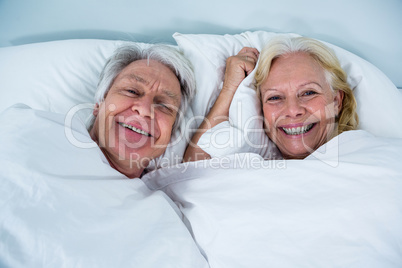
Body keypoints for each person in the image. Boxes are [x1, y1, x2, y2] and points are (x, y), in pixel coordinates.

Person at [183, 36, 358, 161]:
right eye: (275, 97)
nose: (293, 110)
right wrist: (229, 89)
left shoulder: (363, 156)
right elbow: (191, 171)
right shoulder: (254, 170)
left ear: (336, 101)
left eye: (308, 93)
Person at [87, 43, 195, 178]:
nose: (144, 109)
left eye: (163, 105)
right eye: (132, 91)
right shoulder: (55, 142)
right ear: (99, 103)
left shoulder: (163, 198)